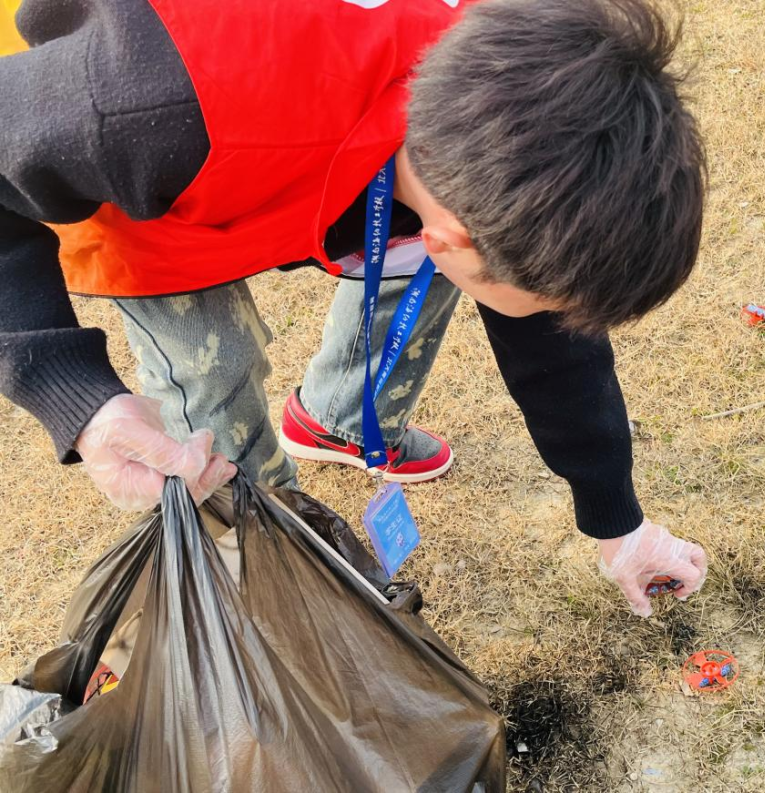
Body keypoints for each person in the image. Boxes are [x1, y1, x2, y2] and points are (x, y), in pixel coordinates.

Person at [0, 0, 707, 618]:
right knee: (211, 370)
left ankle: (336, 418)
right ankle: (268, 577)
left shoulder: (527, 78)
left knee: (466, 268)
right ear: (447, 237)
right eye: (538, 306)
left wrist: (619, 520)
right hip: (164, 160)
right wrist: (76, 397)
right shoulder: (140, 109)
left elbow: (554, 336)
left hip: (315, 128)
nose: (547, 323)